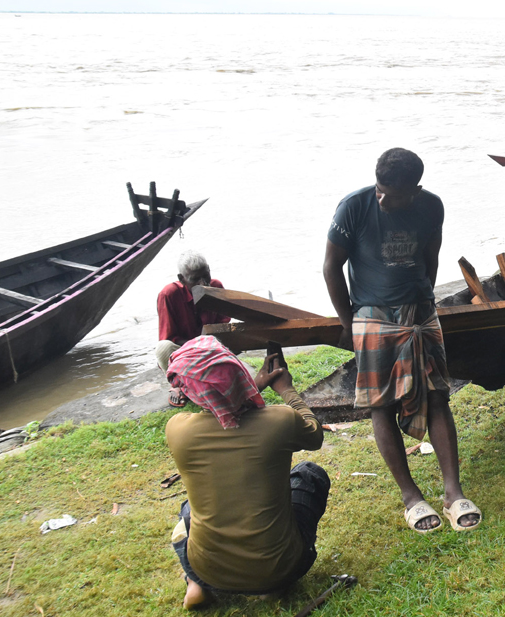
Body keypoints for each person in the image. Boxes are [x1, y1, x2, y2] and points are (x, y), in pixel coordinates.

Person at [322, 147, 481, 534]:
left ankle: (453, 493)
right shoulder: (353, 208)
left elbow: (431, 261)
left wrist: (420, 299)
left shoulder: (431, 208)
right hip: (372, 315)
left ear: (414, 190)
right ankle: (411, 496)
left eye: (390, 194)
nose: (381, 198)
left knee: (438, 394)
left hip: (419, 312)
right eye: (378, 189)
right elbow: (331, 269)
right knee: (381, 405)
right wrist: (351, 324)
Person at [164, 335, 329, 610]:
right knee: (309, 474)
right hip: (282, 568)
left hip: (209, 570)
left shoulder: (178, 429)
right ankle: (270, 586)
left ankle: (195, 583)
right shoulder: (280, 421)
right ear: (237, 370)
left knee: (188, 509)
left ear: (189, 390)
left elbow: (221, 411)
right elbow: (314, 435)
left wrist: (253, 388)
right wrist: (286, 390)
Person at [156, 251, 230, 406]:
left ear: (209, 270)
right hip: (186, 350)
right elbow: (170, 338)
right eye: (195, 279)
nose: (203, 283)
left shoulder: (216, 286)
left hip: (214, 347)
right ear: (182, 279)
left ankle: (213, 379)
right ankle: (177, 385)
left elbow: (224, 323)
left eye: (206, 276)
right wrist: (200, 346)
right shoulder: (169, 295)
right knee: (163, 348)